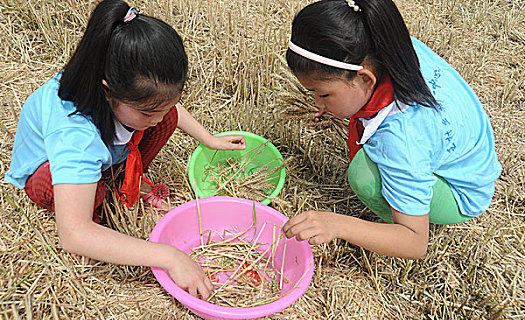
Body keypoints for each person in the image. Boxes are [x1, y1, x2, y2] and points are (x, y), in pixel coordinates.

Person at [4, 0, 246, 299]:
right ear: (108, 91)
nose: (156, 119)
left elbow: (162, 107)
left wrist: (208, 139)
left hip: (101, 151)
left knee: (165, 119)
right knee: (95, 198)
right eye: (146, 113)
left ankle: (124, 180)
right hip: (46, 174)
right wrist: (170, 256)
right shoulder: (74, 134)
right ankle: (105, 197)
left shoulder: (125, 87)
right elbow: (74, 234)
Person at [281, 0, 502, 259]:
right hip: (472, 158)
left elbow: (414, 243)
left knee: (364, 175)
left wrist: (337, 224)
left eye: (323, 94)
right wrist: (331, 98)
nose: (318, 103)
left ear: (364, 78)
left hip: (462, 192)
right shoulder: (389, 46)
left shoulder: (400, 139)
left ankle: (392, 221)